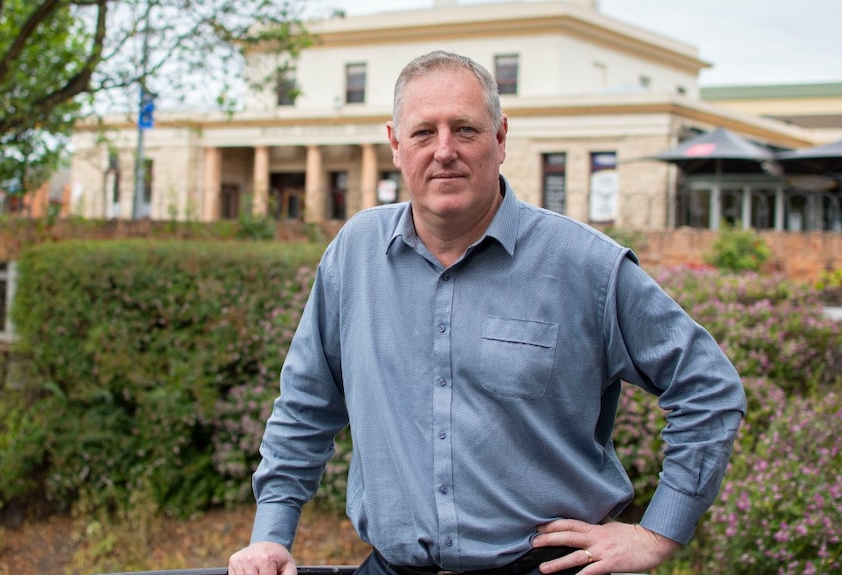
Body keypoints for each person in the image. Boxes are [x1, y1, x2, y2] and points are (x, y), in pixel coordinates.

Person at [228, 50, 746, 575]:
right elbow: (305, 404)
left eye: (466, 129)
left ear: (500, 139)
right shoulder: (354, 254)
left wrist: (659, 532)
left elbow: (707, 386)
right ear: (394, 145)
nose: (444, 150)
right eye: (423, 132)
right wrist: (271, 533)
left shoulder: (585, 265)